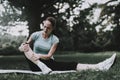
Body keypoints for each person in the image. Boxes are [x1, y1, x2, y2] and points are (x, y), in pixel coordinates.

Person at [23, 16, 116, 72]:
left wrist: (38, 55)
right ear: (43, 24)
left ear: (53, 29)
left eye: (48, 28)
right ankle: (41, 66)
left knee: (71, 65)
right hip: (35, 64)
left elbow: (49, 56)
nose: (45, 29)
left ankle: (99, 66)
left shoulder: (55, 39)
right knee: (25, 47)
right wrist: (25, 46)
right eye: (44, 26)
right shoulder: (35, 34)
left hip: (48, 63)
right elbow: (25, 44)